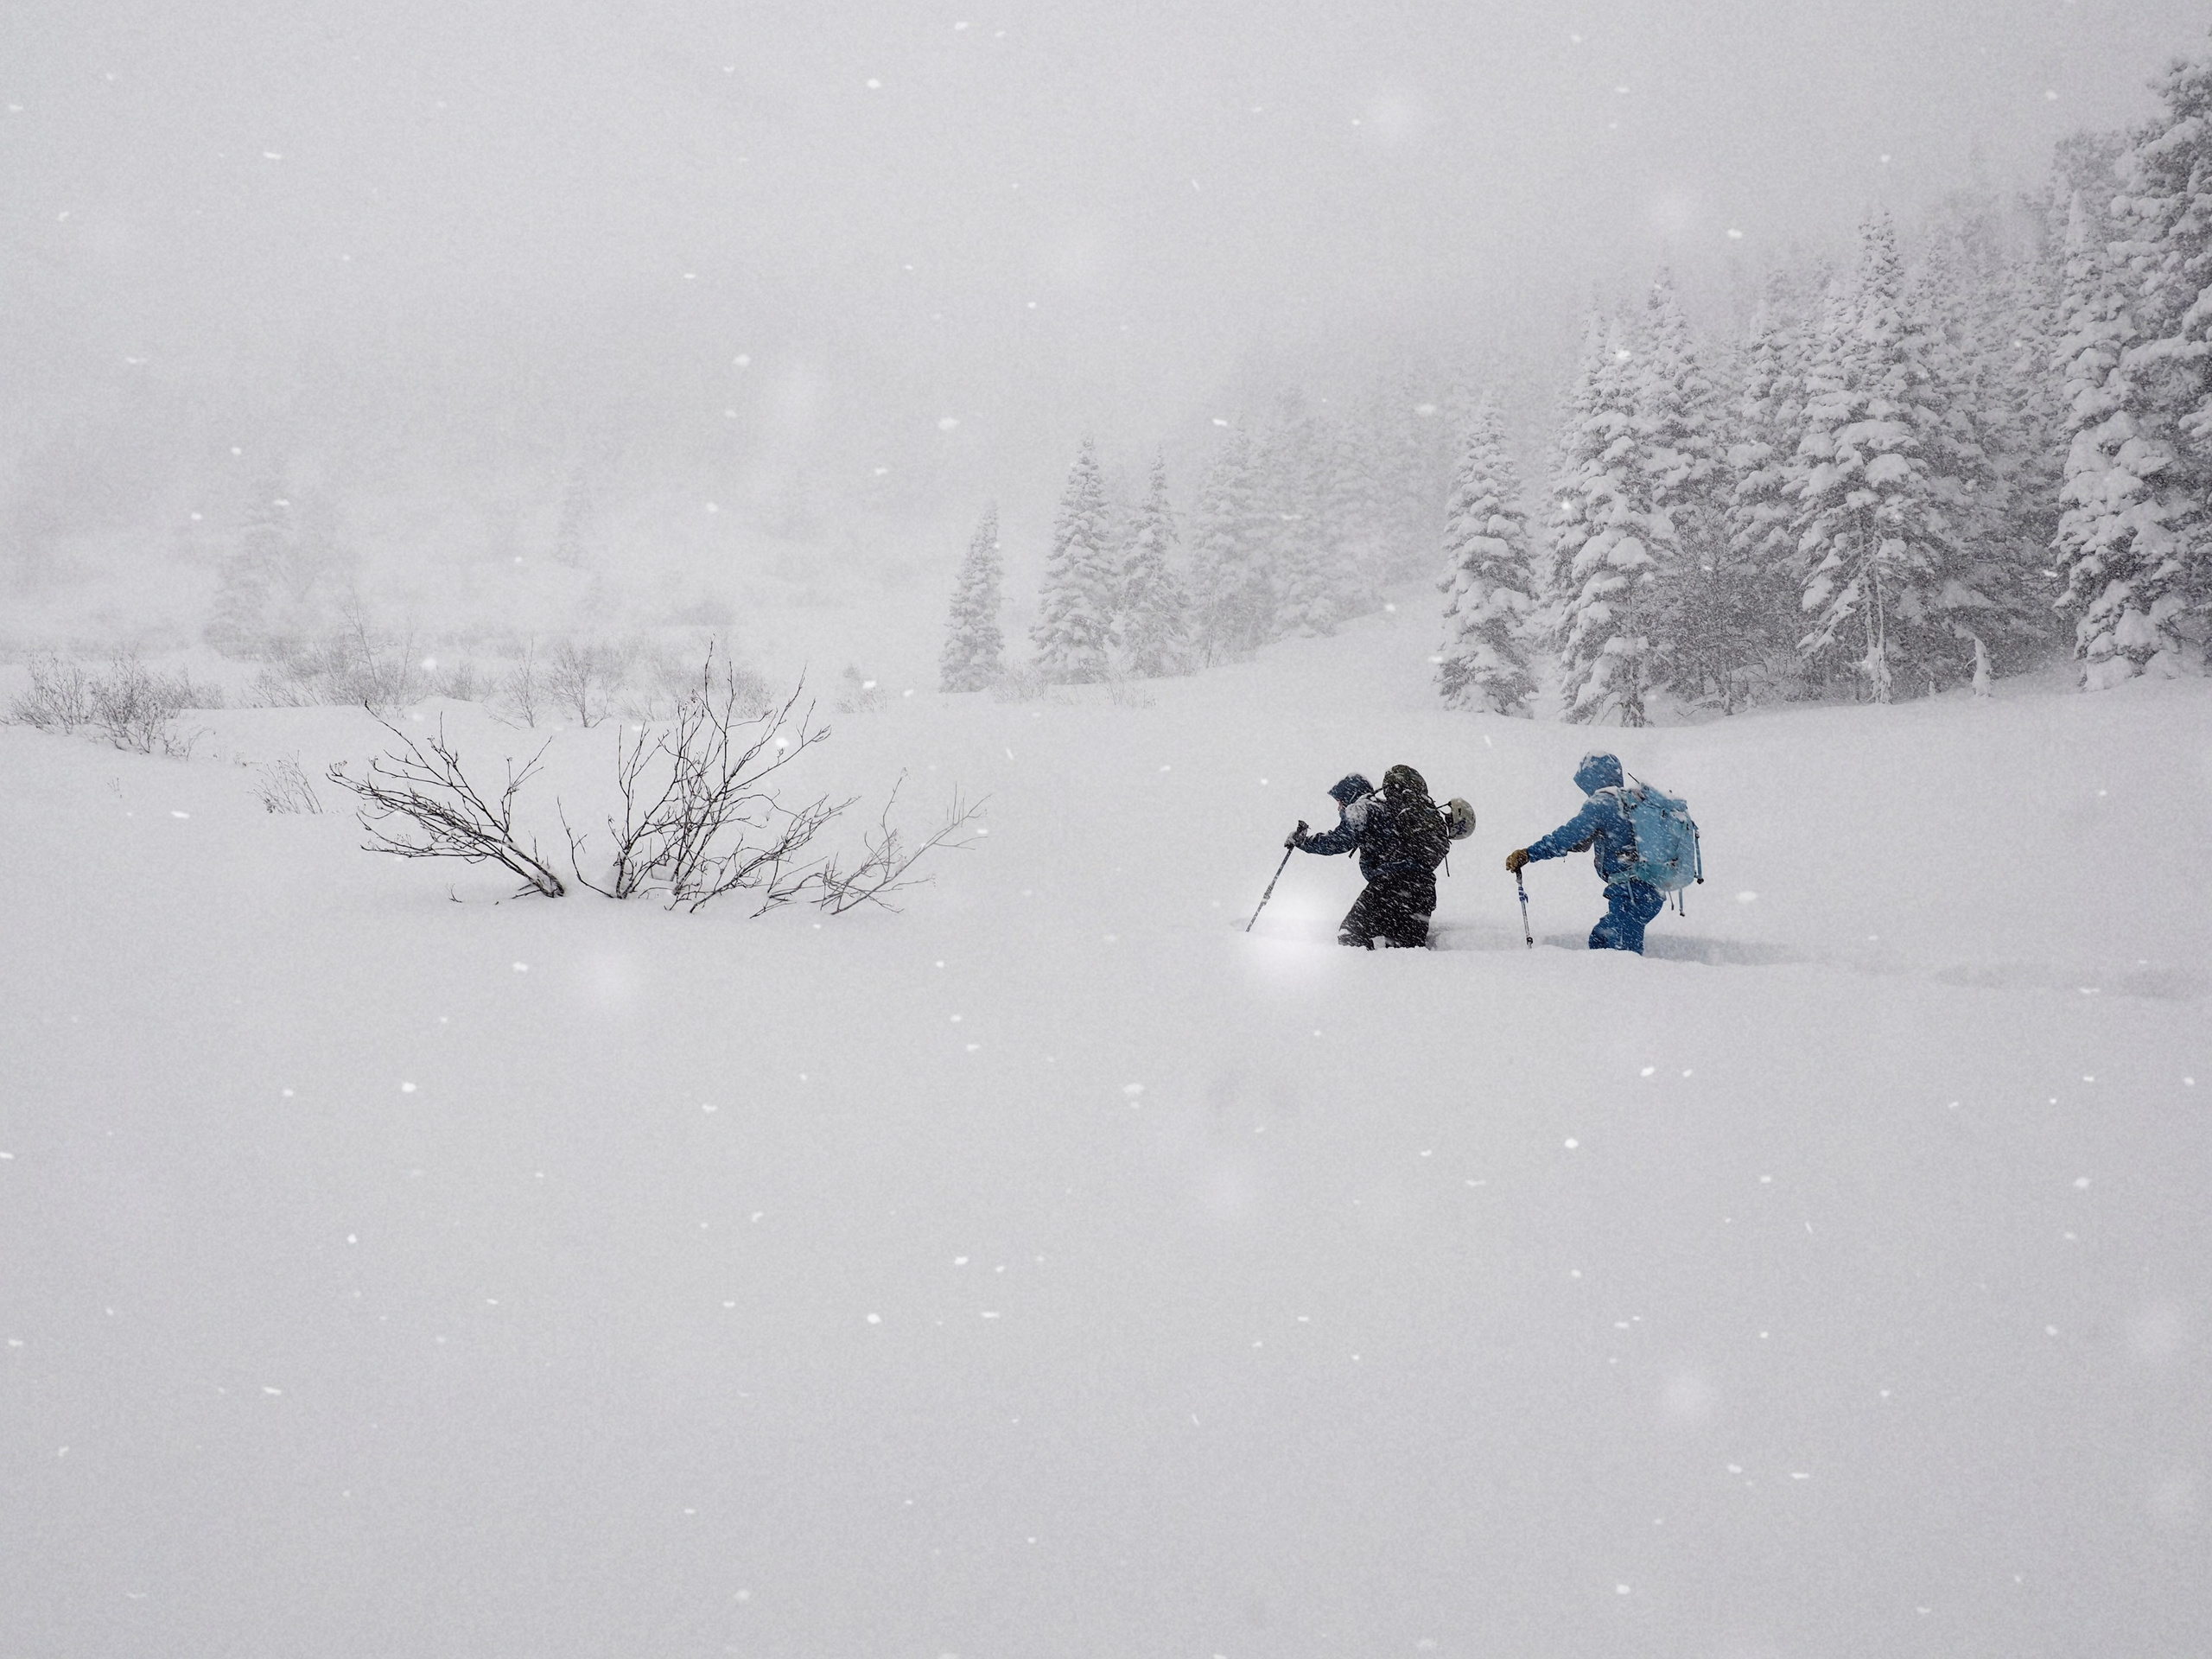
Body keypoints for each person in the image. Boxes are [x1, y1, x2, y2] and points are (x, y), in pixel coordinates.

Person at [1505, 752, 1665, 954]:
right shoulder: (1631, 802)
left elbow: (1566, 837)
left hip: (1630, 892)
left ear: (1593, 777)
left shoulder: (1602, 803)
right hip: (1649, 891)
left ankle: (1623, 975)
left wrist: (1529, 853)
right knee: (1601, 940)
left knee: (1621, 956)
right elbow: (1589, 839)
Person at [1291, 765, 1450, 949]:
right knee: (1406, 953)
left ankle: (1362, 967)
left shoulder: (1363, 807)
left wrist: (1304, 842)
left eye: (1340, 801)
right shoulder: (1391, 811)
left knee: (1350, 935)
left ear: (1350, 795)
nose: (1339, 807)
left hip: (1389, 886)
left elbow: (1340, 840)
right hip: (1423, 890)